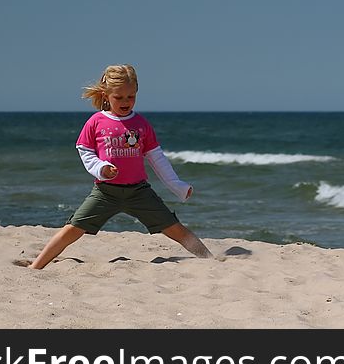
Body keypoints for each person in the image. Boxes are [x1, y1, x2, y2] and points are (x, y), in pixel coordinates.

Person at [28, 64, 214, 269]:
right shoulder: (96, 122)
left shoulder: (141, 124)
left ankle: (211, 260)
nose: (126, 102)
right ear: (106, 95)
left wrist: (177, 185)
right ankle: (35, 266)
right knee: (72, 229)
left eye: (131, 96)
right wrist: (101, 168)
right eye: (119, 97)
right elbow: (84, 150)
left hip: (139, 192)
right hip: (105, 192)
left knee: (176, 229)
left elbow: (157, 158)